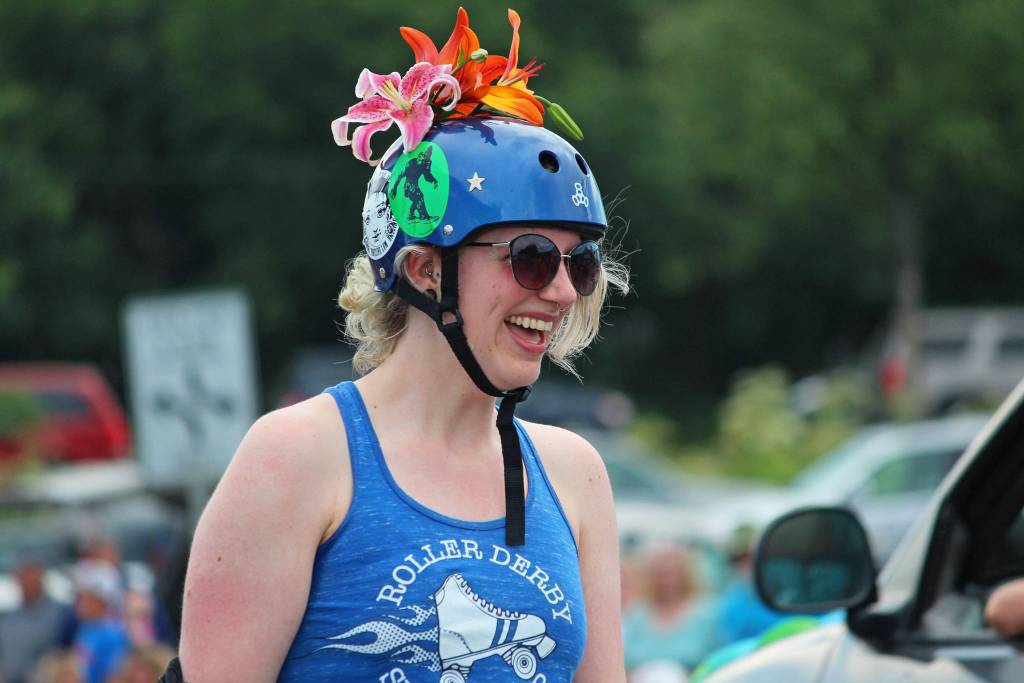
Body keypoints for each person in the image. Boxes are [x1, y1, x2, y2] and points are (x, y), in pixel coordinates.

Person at [173, 7, 629, 682]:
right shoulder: (296, 456)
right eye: (533, 258)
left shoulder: (574, 473)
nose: (563, 292)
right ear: (424, 270)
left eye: (580, 262)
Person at [623, 544, 720, 676]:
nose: (667, 580)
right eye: (660, 573)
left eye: (673, 572)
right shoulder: (636, 614)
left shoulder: (706, 614)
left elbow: (717, 663)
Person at [0, 558, 66, 683]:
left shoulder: (61, 613)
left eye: (30, 576)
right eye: (22, 577)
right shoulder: (10, 618)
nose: (26, 583)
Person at [69, 560, 130, 683]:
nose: (80, 603)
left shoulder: (113, 633)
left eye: (86, 598)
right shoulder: (85, 626)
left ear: (101, 601)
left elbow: (114, 676)